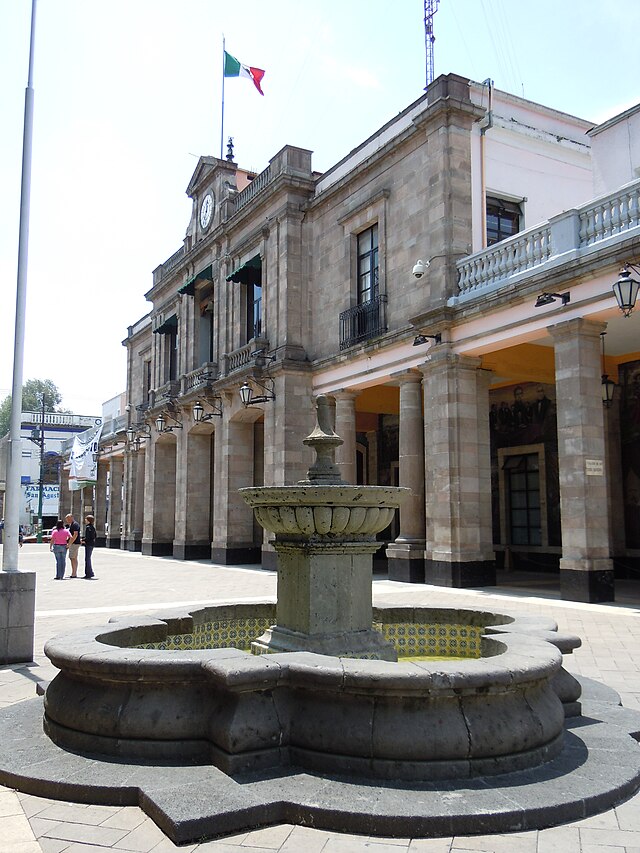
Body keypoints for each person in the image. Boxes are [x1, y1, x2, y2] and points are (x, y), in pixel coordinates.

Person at [65, 513, 81, 578]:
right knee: (74, 558)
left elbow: (75, 534)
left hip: (74, 543)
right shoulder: (71, 525)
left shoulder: (75, 524)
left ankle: (74, 573)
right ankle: (74, 572)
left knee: (72, 558)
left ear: (71, 517)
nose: (67, 520)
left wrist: (69, 543)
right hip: (74, 543)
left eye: (68, 519)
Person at [82, 515, 96, 579]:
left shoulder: (88, 527)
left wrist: (83, 540)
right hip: (92, 544)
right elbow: (94, 536)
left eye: (86, 519)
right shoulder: (92, 527)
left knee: (87, 559)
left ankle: (88, 573)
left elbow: (88, 537)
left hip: (88, 544)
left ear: (88, 520)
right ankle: (90, 572)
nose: (85, 520)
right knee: (88, 558)